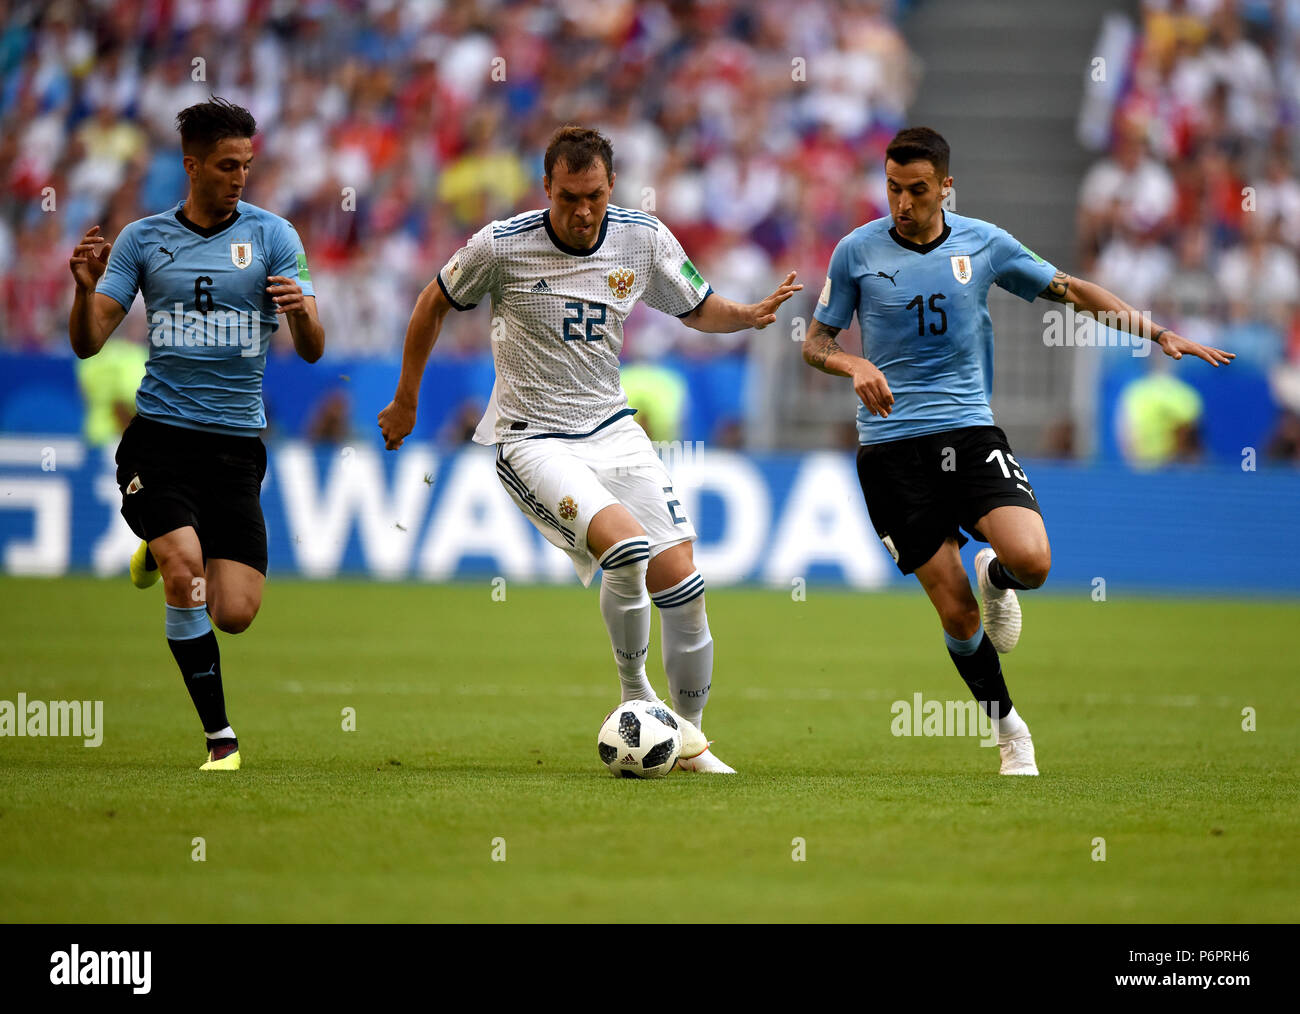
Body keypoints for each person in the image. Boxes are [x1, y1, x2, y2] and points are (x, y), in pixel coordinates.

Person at [803, 127, 1233, 775]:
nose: (902, 202)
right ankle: (1009, 731)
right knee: (954, 609)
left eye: (917, 190)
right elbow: (815, 342)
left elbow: (1072, 290)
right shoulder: (855, 253)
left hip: (970, 433)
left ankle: (997, 575)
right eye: (893, 188)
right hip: (891, 451)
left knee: (1032, 560)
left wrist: (1155, 331)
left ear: (945, 187)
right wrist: (851, 364)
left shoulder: (984, 244)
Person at [379, 125, 801, 773]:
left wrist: (745, 315)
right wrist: (407, 399)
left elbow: (697, 307)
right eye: (569, 196)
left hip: (612, 428)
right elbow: (432, 304)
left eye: (596, 197)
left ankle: (686, 740)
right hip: (531, 437)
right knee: (625, 547)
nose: (583, 212)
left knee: (684, 586)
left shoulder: (643, 236)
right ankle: (637, 702)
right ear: (545, 187)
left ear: (612, 187)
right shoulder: (501, 246)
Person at [68, 97, 325, 771]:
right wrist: (83, 291)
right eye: (225, 165)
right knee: (189, 571)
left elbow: (315, 349)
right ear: (190, 165)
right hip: (160, 440)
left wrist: (301, 315)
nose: (239, 177)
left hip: (237, 449)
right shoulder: (143, 240)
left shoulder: (273, 237)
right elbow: (90, 341)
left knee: (234, 612)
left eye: (246, 164)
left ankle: (158, 549)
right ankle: (220, 738)